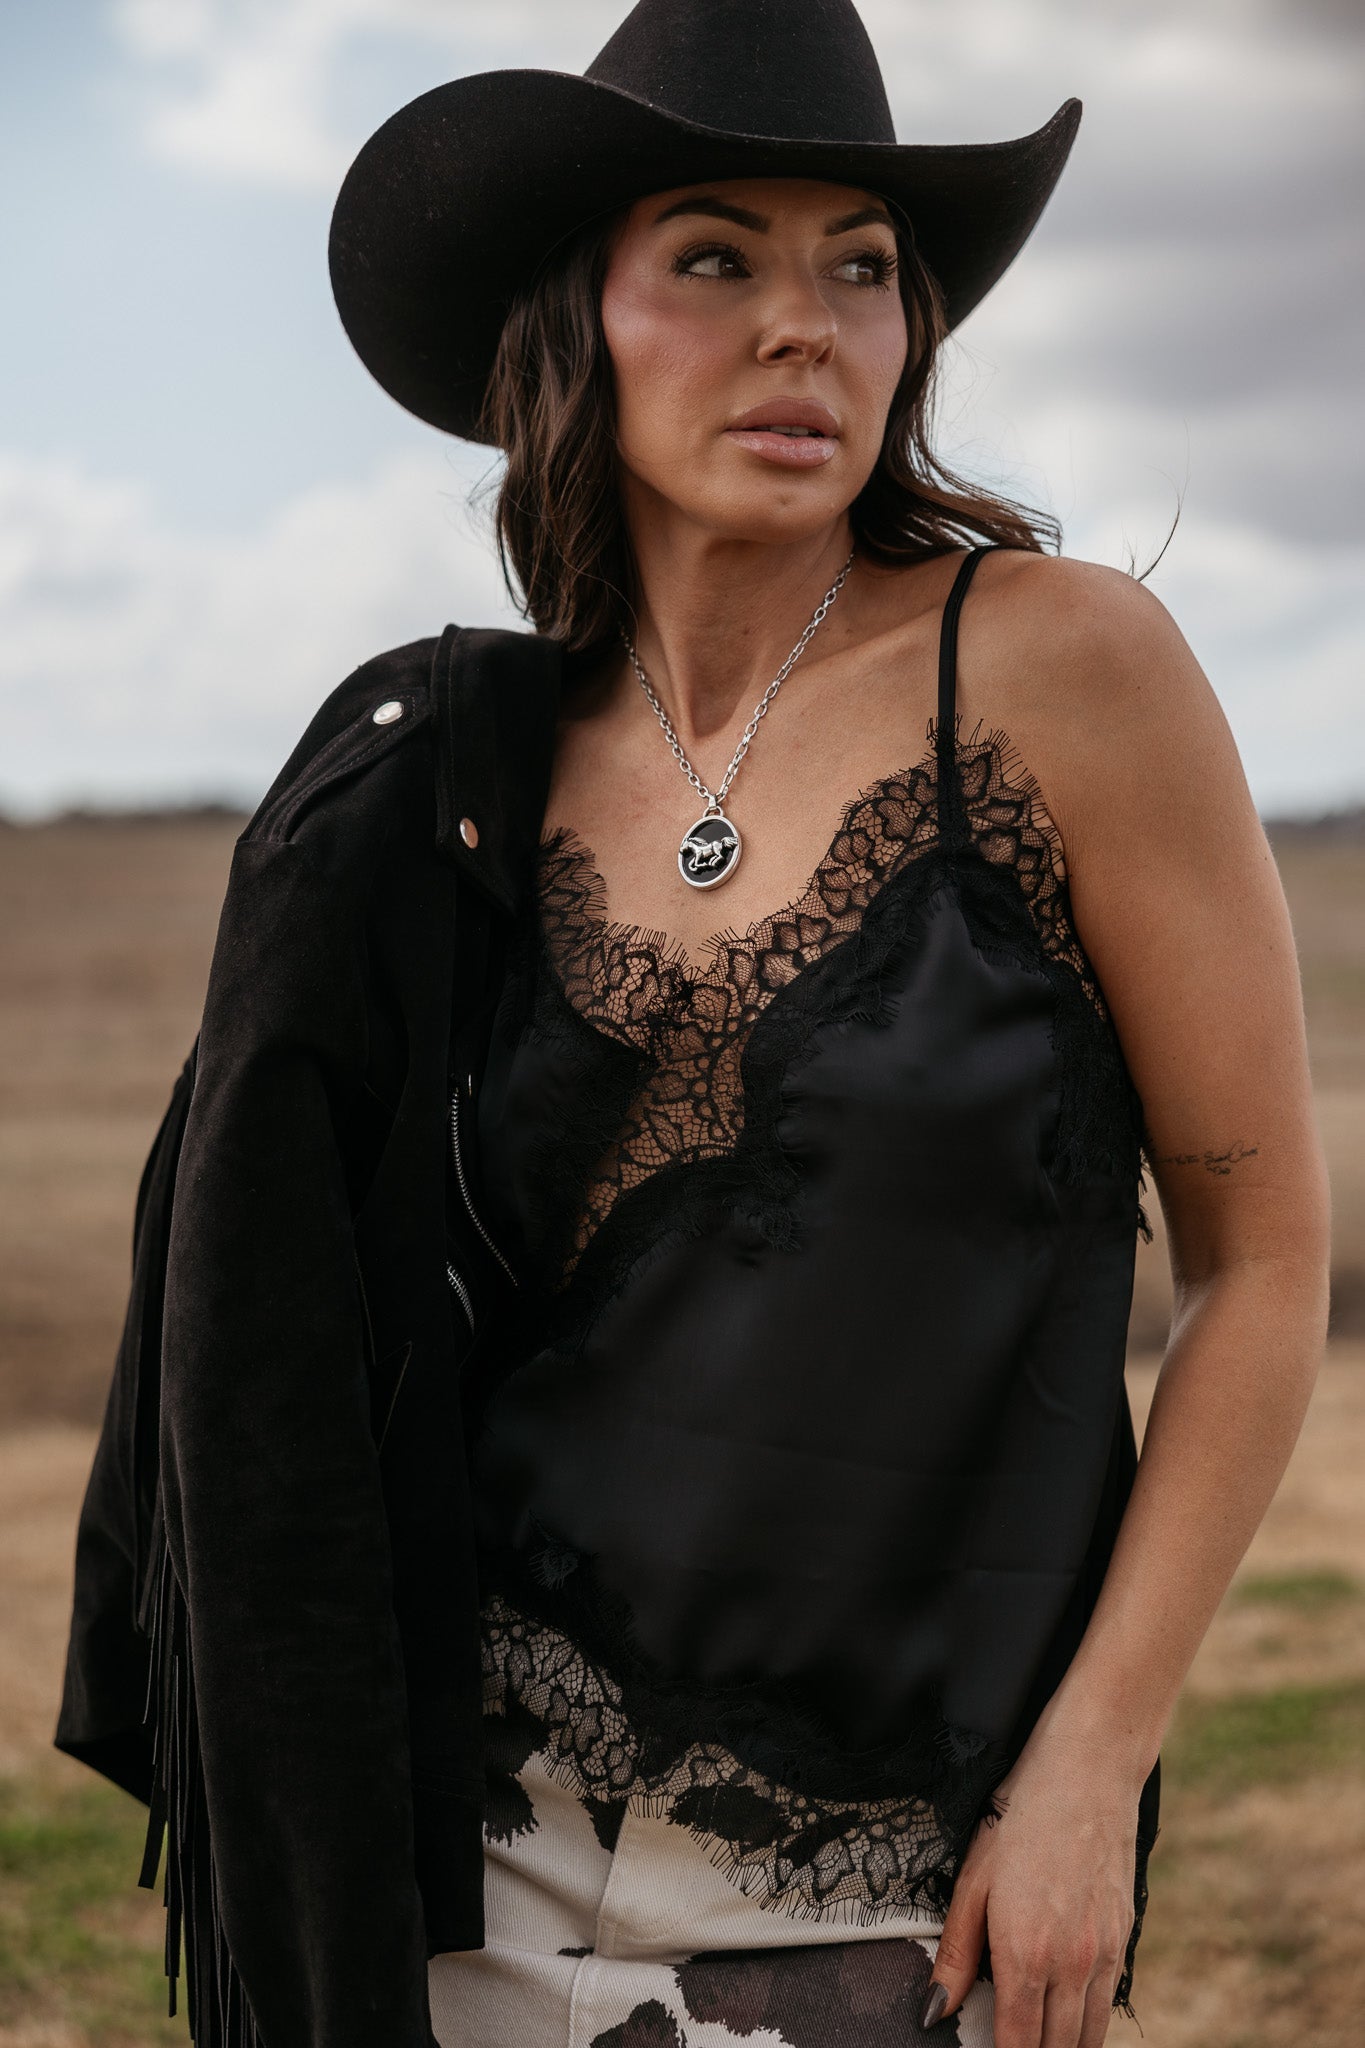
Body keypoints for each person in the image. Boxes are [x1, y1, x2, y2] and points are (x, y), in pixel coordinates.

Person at [55, 3, 1331, 2046]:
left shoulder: (1060, 669)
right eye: (714, 258)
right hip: (453, 1888)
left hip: (889, 1888)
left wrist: (1095, 1758)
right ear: (577, 321)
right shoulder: (452, 777)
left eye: (857, 266)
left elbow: (1259, 1265)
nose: (799, 325)